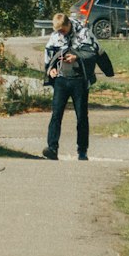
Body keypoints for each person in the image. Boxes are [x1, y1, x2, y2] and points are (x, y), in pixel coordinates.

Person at [42, 10, 100, 161]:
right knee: (56, 114)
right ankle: (52, 148)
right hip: (61, 80)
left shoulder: (84, 33)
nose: (61, 33)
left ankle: (82, 151)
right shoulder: (56, 36)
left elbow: (93, 53)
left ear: (68, 24)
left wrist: (77, 56)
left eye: (63, 30)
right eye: (58, 31)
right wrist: (51, 69)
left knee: (81, 116)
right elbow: (49, 55)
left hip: (79, 80)